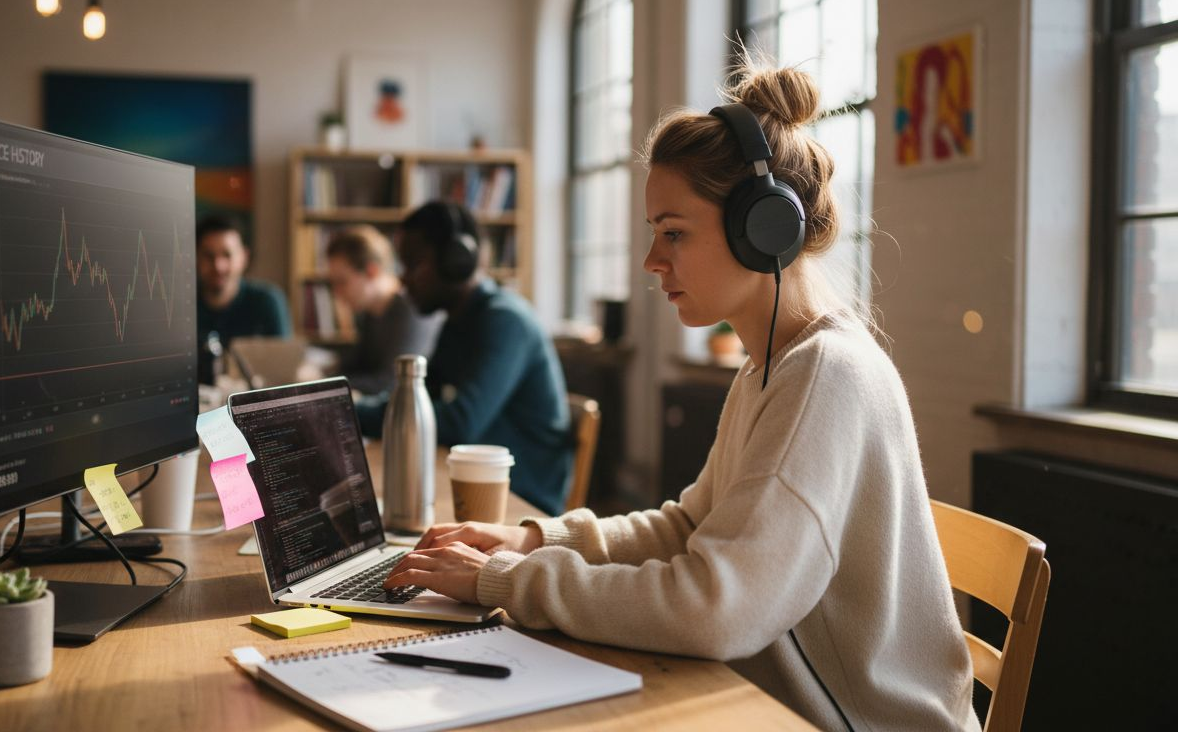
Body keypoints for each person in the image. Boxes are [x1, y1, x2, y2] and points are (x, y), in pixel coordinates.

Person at [382, 65, 979, 731]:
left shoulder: (824, 376)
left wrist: (501, 583)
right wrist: (528, 540)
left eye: (673, 232)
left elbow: (716, 607)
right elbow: (688, 529)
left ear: (764, 230)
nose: (650, 261)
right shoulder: (770, 369)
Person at [355, 201, 572, 516]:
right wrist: (352, 411)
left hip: (518, 500)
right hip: (473, 484)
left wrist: (353, 414)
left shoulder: (505, 322)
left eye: (413, 264)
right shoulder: (457, 321)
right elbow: (419, 400)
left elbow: (461, 423)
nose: (404, 280)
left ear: (455, 260)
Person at [325, 225, 441, 394]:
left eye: (342, 281)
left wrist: (324, 385)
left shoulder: (412, 309)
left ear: (372, 271)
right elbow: (356, 366)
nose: (336, 293)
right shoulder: (370, 312)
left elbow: (391, 384)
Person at [195, 214, 291, 348]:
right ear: (196, 258)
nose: (218, 266)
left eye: (227, 255)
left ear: (244, 258)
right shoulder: (183, 308)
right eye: (209, 256)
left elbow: (283, 362)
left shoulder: (268, 301)